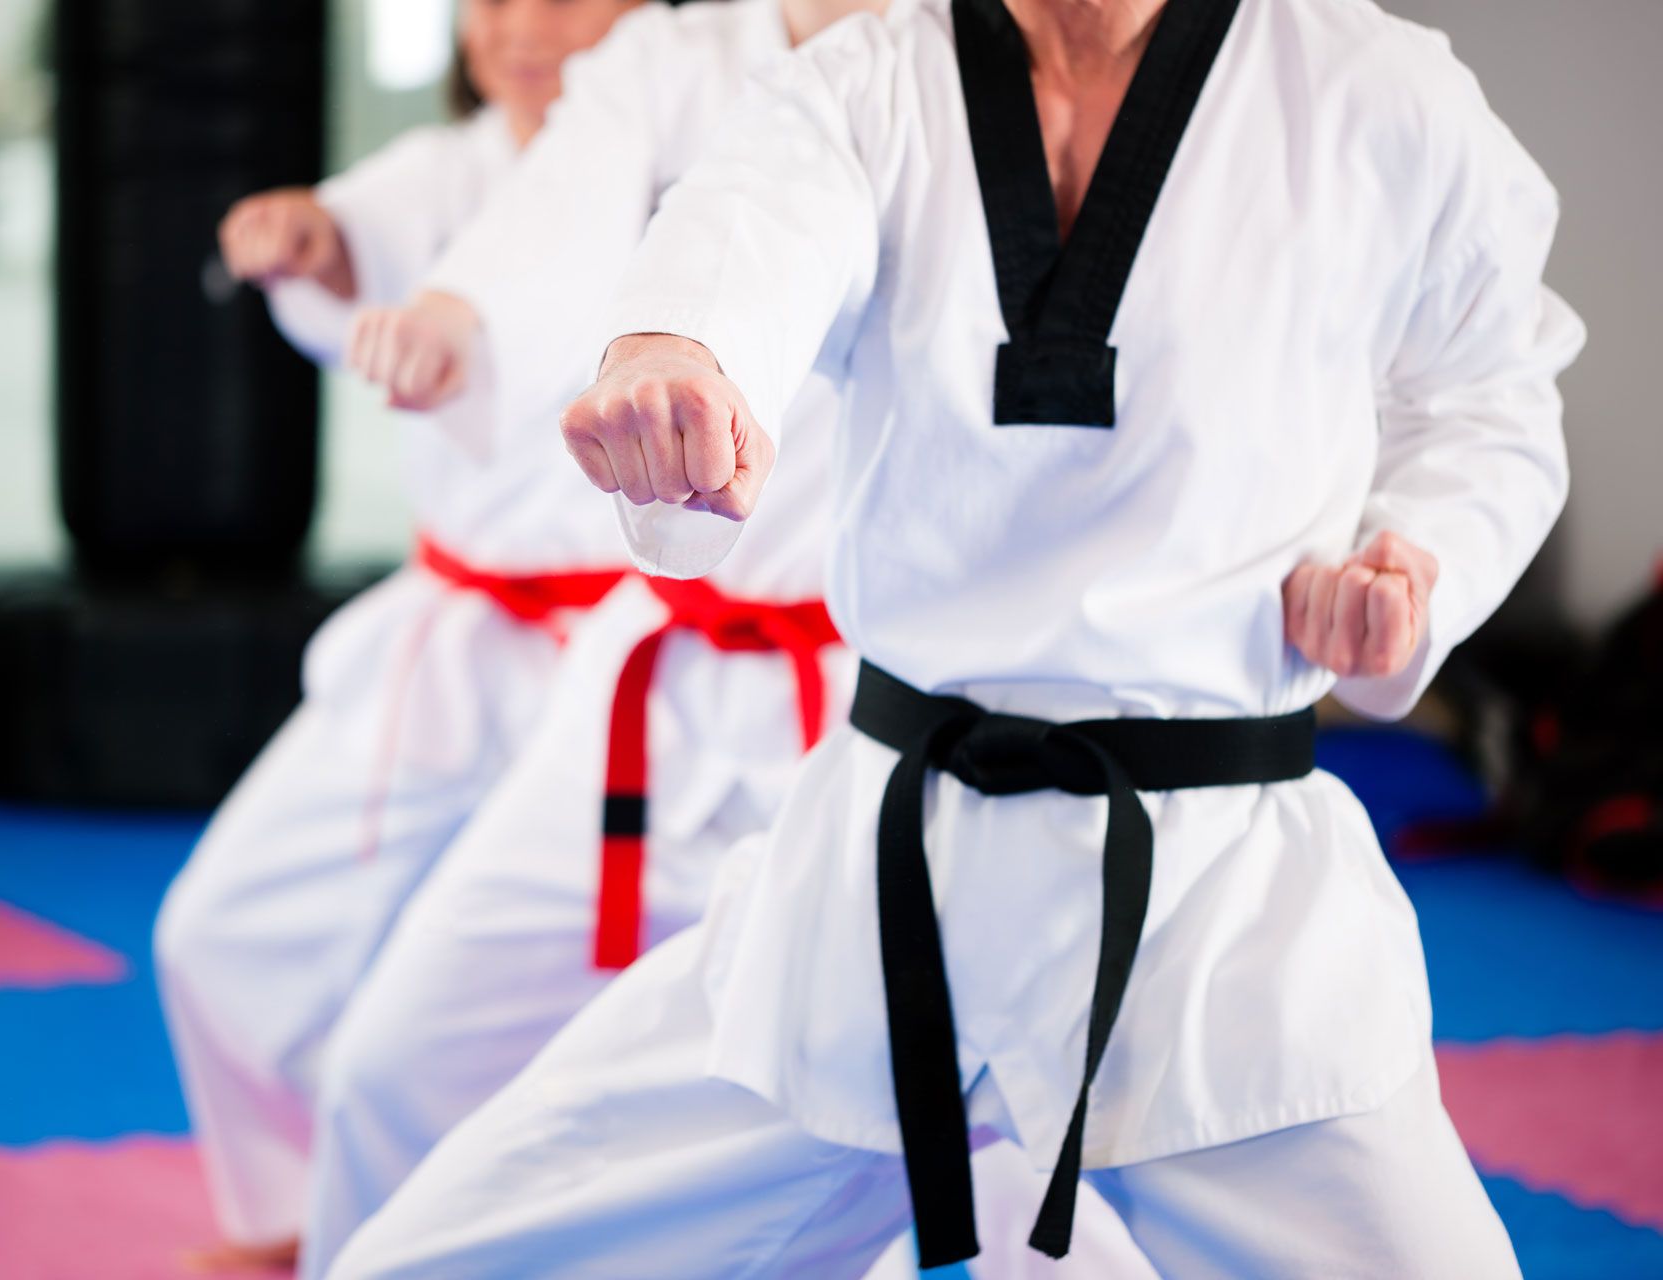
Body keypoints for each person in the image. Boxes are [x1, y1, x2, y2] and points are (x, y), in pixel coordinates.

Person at [322, 0, 1583, 1275]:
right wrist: (682, 368)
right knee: (438, 1255)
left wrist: (1415, 549)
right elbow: (737, 243)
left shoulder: (1377, 87)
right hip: (878, 874)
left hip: (1219, 907)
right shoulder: (865, 82)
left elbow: (1489, 390)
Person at [308, 0, 1155, 1277]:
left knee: (988, 1164)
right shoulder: (677, 62)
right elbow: (562, 215)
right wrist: (459, 314)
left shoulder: (1014, 72)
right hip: (653, 688)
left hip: (882, 735)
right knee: (396, 1058)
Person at [152, 0, 640, 1269]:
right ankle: (277, 1218)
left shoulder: (711, 154)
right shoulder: (450, 172)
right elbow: (355, 235)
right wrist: (307, 241)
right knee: (219, 931)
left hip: (646, 668)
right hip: (457, 639)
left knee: (524, 1025)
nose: (519, 29)